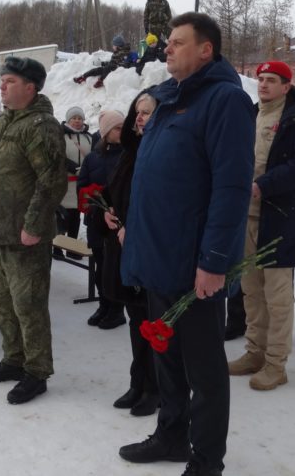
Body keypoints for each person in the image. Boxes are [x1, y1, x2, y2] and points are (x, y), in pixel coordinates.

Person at [118, 12, 254, 476]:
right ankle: (171, 436)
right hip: (158, 257)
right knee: (167, 360)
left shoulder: (225, 102)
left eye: (178, 42)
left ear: (205, 49)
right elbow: (154, 181)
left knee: (204, 371)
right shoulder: (169, 101)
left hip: (195, 264)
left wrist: (214, 261)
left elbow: (231, 188)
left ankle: (206, 459)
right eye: (168, 42)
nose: (168, 48)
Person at [0, 56, 66, 405]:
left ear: (31, 87)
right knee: (2, 300)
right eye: (4, 80)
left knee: (28, 304)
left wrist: (34, 224)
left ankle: (36, 370)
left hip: (26, 235)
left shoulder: (41, 126)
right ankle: (13, 359)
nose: (3, 85)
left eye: (11, 81)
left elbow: (51, 182)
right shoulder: (3, 124)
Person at [228, 60, 295, 392]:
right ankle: (255, 352)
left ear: (286, 86)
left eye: (271, 80)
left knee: (277, 297)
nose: (263, 85)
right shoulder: (251, 115)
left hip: (279, 219)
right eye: (260, 79)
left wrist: (265, 185)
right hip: (246, 217)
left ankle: (275, 364)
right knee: (251, 292)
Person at [100, 93, 159, 416]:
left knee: (151, 322)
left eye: (147, 113)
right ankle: (139, 382)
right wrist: (107, 213)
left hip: (146, 249)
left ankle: (155, 387)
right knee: (137, 321)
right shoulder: (131, 151)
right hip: (123, 245)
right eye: (138, 112)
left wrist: (132, 230)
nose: (139, 118)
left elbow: (158, 205)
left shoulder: (159, 154)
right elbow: (116, 192)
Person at [76, 108, 126, 329]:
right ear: (106, 131)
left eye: (123, 127)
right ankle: (104, 304)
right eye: (117, 128)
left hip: (117, 221)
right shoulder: (94, 157)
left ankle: (117, 310)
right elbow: (82, 184)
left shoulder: (127, 155)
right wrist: (93, 198)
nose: (122, 131)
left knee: (114, 268)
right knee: (99, 266)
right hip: (96, 219)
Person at [55, 106, 93, 259]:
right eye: (74, 118)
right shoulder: (60, 136)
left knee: (76, 217)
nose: (77, 121)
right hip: (64, 183)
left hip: (80, 184)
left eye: (80, 118)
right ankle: (57, 248)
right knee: (62, 216)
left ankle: (72, 249)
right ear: (68, 120)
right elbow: (57, 157)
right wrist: (73, 167)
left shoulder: (89, 138)